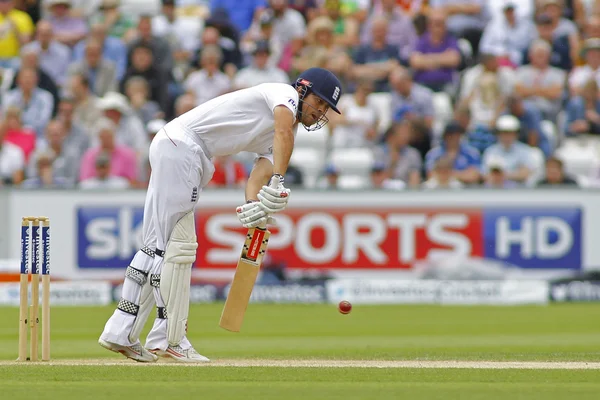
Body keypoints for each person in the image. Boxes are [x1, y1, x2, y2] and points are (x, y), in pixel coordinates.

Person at [98, 67, 342, 363]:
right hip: (183, 147)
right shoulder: (284, 95)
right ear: (303, 89)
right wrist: (279, 182)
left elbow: (255, 180)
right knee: (176, 247)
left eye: (326, 108)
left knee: (156, 245)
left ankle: (122, 330)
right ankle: (170, 339)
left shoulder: (284, 134)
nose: (320, 112)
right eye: (320, 102)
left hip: (180, 148)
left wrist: (256, 206)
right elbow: (281, 134)